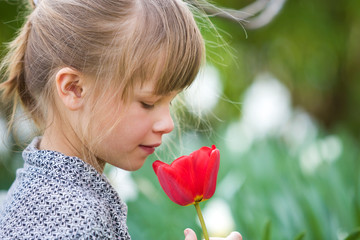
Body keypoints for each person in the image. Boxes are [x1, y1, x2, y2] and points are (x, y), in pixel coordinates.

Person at [0, 0, 242, 239]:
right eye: (148, 103)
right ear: (74, 89)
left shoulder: (31, 192)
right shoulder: (80, 222)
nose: (168, 124)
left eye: (170, 101)